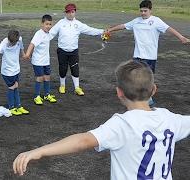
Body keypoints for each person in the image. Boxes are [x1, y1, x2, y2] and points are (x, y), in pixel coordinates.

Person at [13, 60, 190, 179]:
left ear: (119, 92)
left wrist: (39, 151)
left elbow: (82, 141)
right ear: (154, 90)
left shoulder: (123, 124)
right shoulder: (171, 119)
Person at [106, 0, 190, 106]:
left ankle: (149, 99)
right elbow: (123, 26)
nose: (143, 13)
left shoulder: (156, 21)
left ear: (150, 10)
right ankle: (136, 97)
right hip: (137, 55)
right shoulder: (136, 21)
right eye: (141, 11)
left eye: (145, 11)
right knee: (135, 77)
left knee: (148, 79)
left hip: (150, 57)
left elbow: (169, 29)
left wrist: (181, 37)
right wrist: (111, 29)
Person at [49, 3, 105, 96]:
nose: (70, 14)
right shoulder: (60, 23)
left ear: (75, 12)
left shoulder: (78, 24)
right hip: (62, 51)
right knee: (63, 69)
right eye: (68, 12)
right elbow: (51, 33)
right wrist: (41, 39)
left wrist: (102, 31)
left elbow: (90, 30)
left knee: (75, 69)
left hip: (74, 52)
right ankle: (62, 85)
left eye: (72, 12)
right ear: (65, 13)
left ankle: (77, 87)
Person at [0, 30, 29, 116]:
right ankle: (11, 107)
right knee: (12, 88)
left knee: (16, 88)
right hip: (7, 72)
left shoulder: (19, 40)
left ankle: (18, 106)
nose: (12, 44)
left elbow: (21, 47)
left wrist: (23, 54)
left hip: (16, 70)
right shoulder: (4, 43)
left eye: (14, 43)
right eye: (11, 43)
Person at [24, 14, 57, 105]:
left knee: (47, 77)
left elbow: (55, 30)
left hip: (46, 61)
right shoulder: (39, 34)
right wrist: (27, 54)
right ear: (42, 24)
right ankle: (37, 96)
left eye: (50, 24)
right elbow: (32, 44)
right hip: (38, 61)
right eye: (46, 24)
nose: (48, 26)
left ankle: (46, 94)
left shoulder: (48, 33)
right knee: (40, 78)